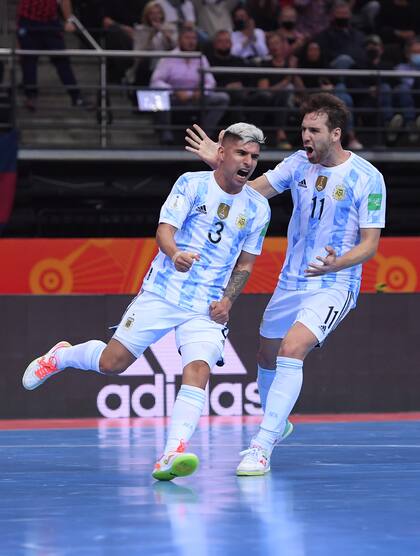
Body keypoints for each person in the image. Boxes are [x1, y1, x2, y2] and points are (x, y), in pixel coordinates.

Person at [22, 123, 271, 481]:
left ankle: (172, 453)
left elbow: (246, 263)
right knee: (112, 363)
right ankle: (60, 356)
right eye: (241, 153)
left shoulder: (258, 208)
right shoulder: (190, 183)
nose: (248, 162)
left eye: (254, 156)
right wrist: (175, 254)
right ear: (221, 154)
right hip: (163, 291)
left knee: (198, 368)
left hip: (207, 304)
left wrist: (229, 300)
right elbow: (164, 231)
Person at [185, 92, 386, 475]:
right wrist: (223, 166)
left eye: (313, 130)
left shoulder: (367, 178)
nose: (305, 136)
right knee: (265, 354)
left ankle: (261, 446)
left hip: (335, 282)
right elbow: (252, 193)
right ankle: (278, 419)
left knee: (292, 350)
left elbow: (369, 245)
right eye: (303, 129)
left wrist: (336, 264)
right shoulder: (297, 164)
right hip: (290, 280)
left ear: (336, 133)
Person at [150, 28, 229, 145]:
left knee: (222, 98)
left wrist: (201, 91)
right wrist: (175, 91)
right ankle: (165, 134)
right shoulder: (168, 57)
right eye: (187, 38)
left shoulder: (201, 58)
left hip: (196, 97)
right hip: (174, 98)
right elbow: (155, 82)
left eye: (194, 39)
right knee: (157, 97)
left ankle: (203, 135)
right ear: (179, 40)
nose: (191, 42)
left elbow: (210, 82)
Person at [16, 0, 90, 111]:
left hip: (49, 22)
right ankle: (31, 96)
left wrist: (69, 20)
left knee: (62, 60)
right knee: (29, 60)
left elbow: (64, 0)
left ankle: (76, 96)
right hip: (28, 21)